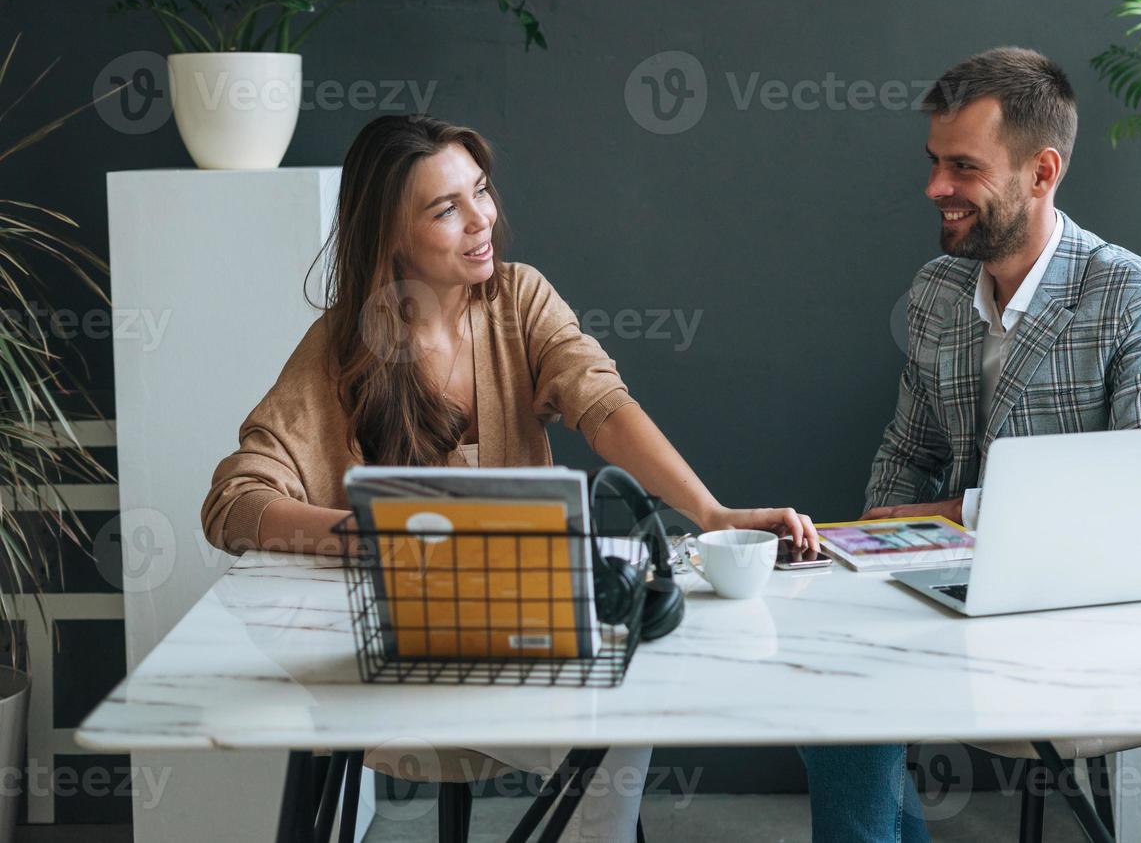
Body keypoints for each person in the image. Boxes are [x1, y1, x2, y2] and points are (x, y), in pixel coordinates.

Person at [201, 113, 818, 843]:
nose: (481, 219)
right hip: (394, 662)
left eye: (482, 192)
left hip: (522, 646)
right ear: (391, 234)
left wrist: (712, 514)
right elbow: (235, 499)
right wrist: (365, 535)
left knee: (623, 715)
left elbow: (604, 406)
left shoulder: (520, 300)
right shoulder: (343, 346)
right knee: (611, 734)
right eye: (446, 208)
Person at [798, 47, 1141, 842]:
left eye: (963, 167)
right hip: (944, 592)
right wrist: (898, 523)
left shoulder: (1139, 298)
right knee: (819, 664)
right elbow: (898, 465)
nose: (935, 188)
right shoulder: (938, 292)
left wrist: (957, 513)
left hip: (1076, 618)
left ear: (1042, 172)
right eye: (935, 162)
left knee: (852, 685)